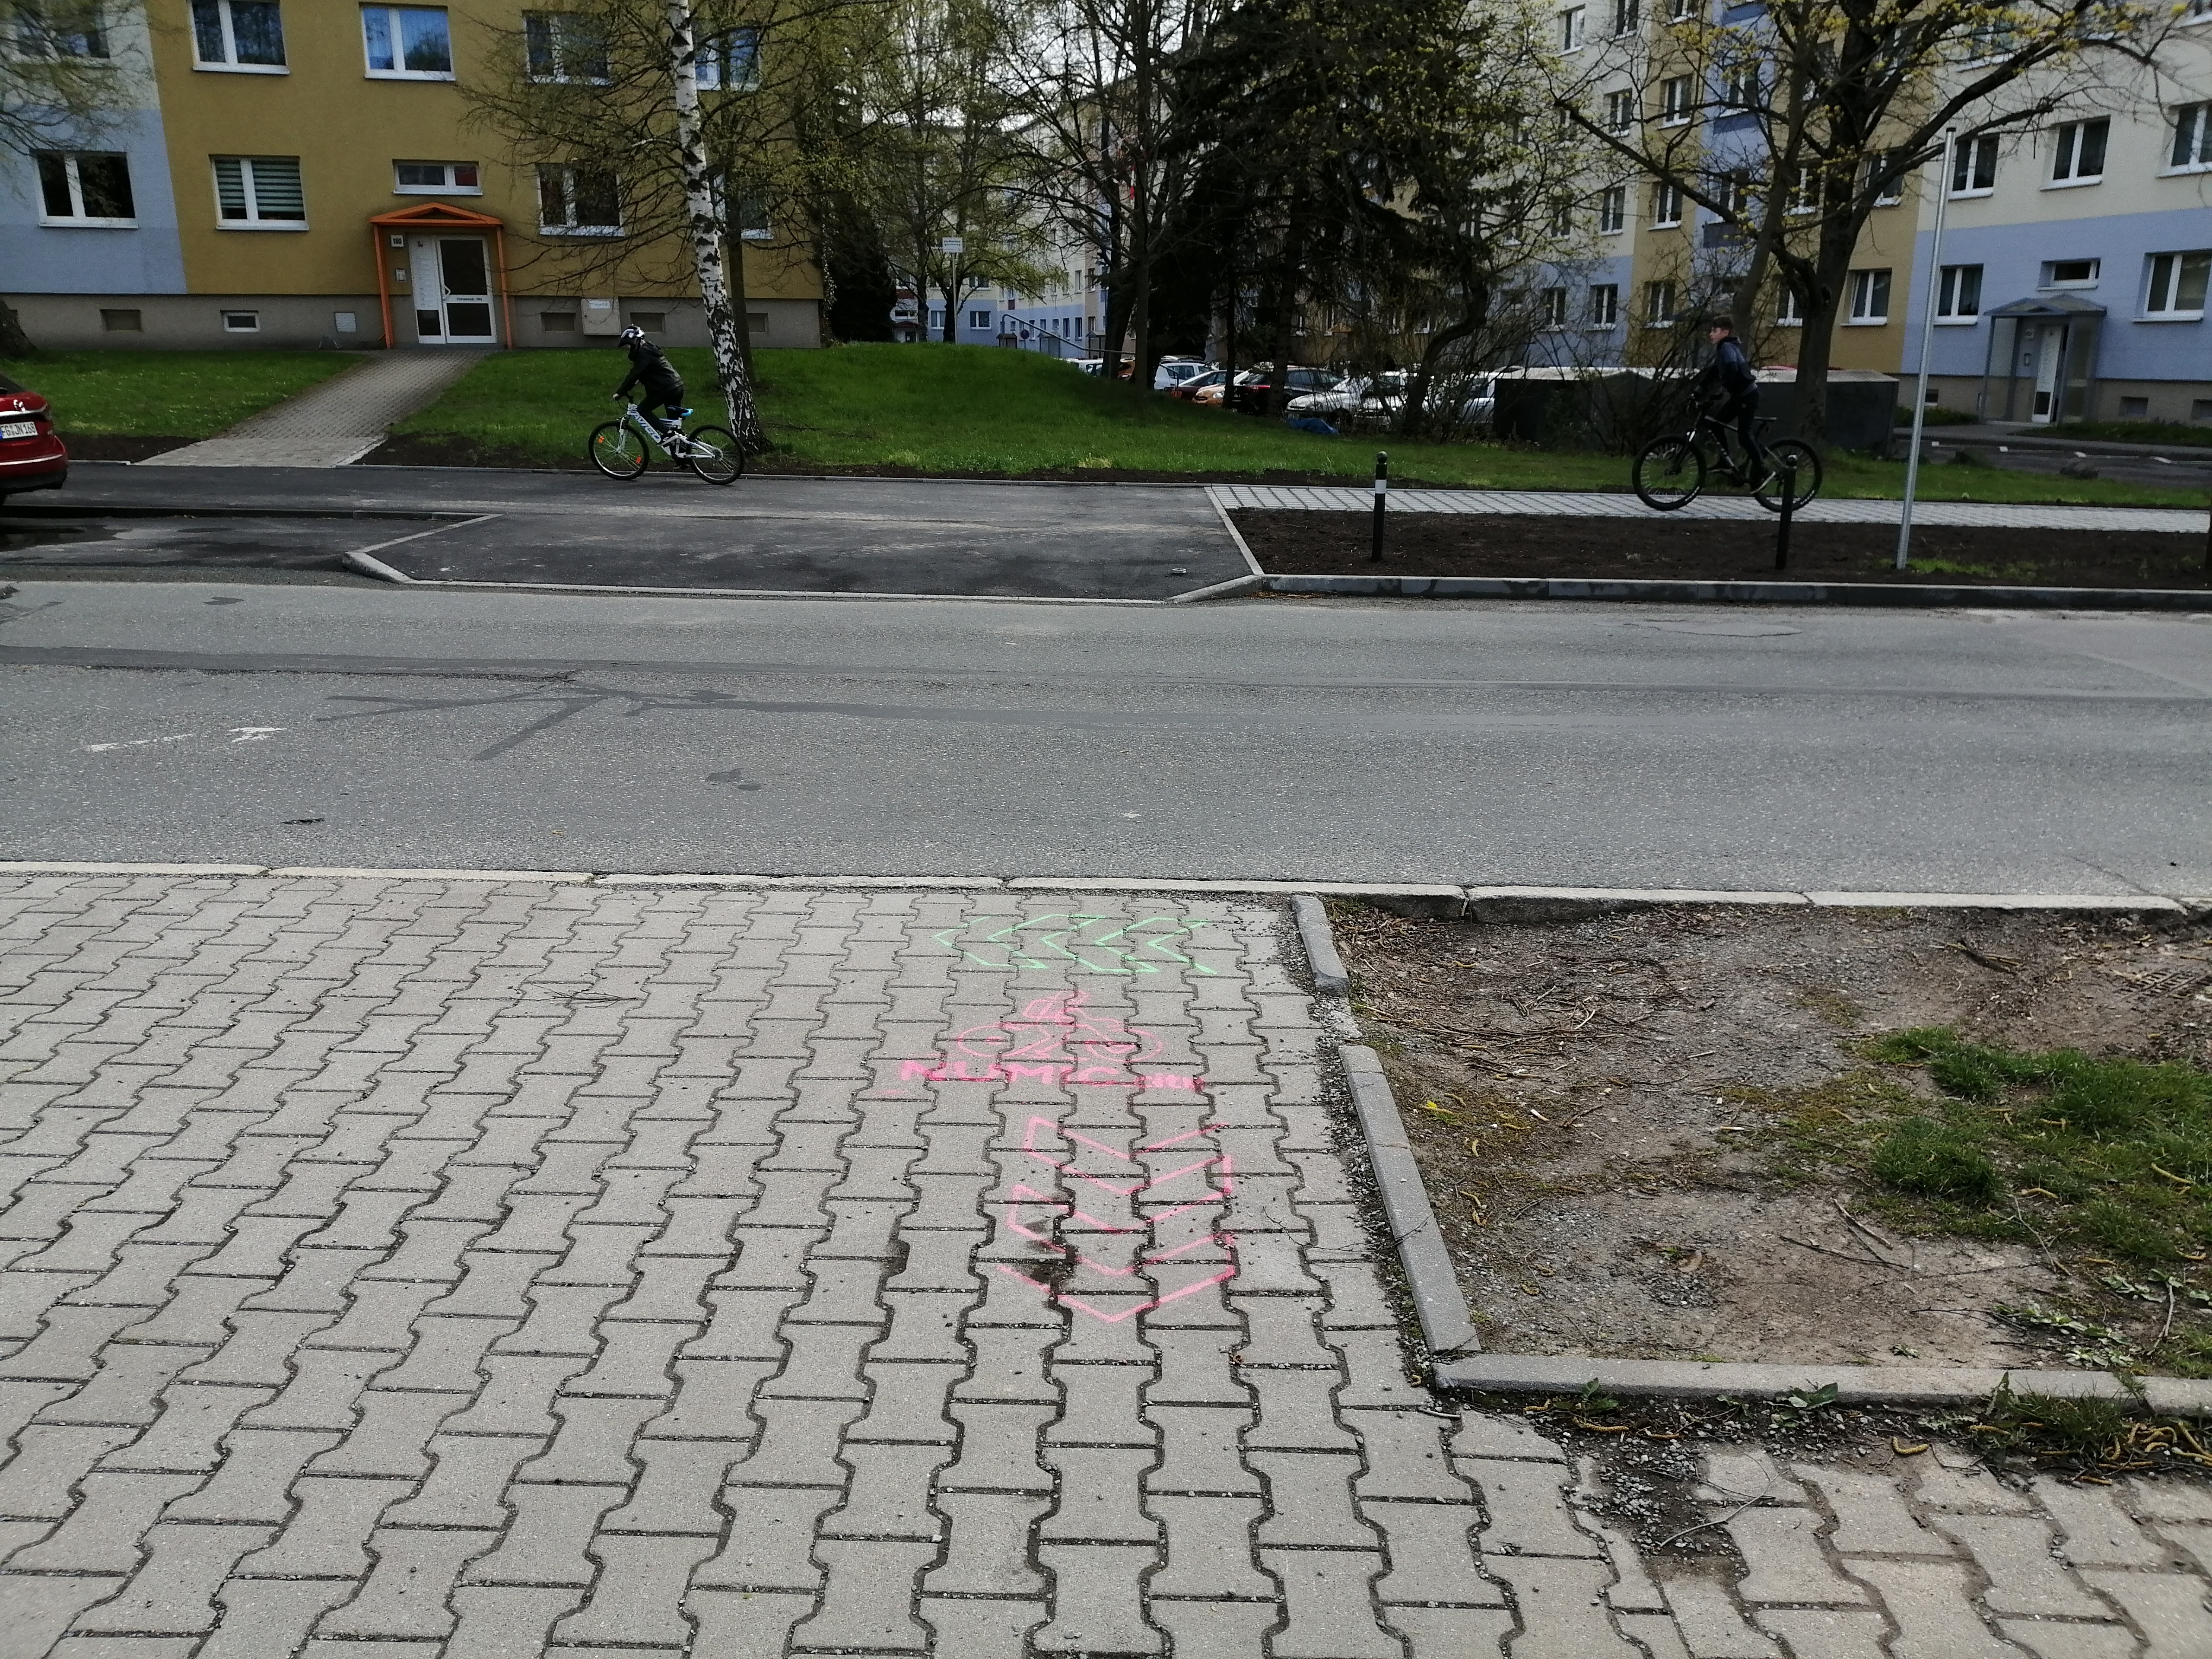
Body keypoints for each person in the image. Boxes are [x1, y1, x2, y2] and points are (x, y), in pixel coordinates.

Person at [1697, 317, 1766, 484]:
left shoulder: (1727, 347)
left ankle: (1762, 469)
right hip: (1740, 396)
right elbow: (1714, 372)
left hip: (1747, 396)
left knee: (1744, 436)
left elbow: (1732, 369)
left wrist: (1722, 391)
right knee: (1716, 424)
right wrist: (1699, 390)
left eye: (1715, 331)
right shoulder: (1724, 349)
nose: (1710, 334)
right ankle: (1724, 462)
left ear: (1725, 333)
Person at [612, 324, 686, 435]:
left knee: (643, 410)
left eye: (629, 345)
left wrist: (620, 393)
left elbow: (634, 374)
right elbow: (650, 371)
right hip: (676, 387)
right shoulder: (651, 350)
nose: (629, 348)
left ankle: (667, 433)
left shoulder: (643, 354)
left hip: (665, 389)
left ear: (635, 342)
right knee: (674, 425)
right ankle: (682, 449)